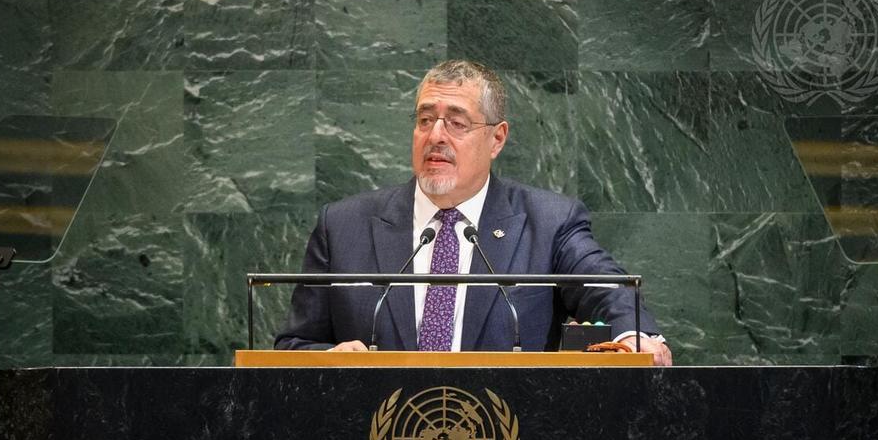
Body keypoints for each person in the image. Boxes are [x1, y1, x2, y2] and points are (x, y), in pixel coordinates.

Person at [275, 60, 672, 365]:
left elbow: (608, 289)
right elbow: (294, 344)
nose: (435, 136)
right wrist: (328, 359)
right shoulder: (344, 226)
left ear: (496, 138)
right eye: (425, 119)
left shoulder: (549, 222)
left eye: (456, 123)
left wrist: (632, 335)